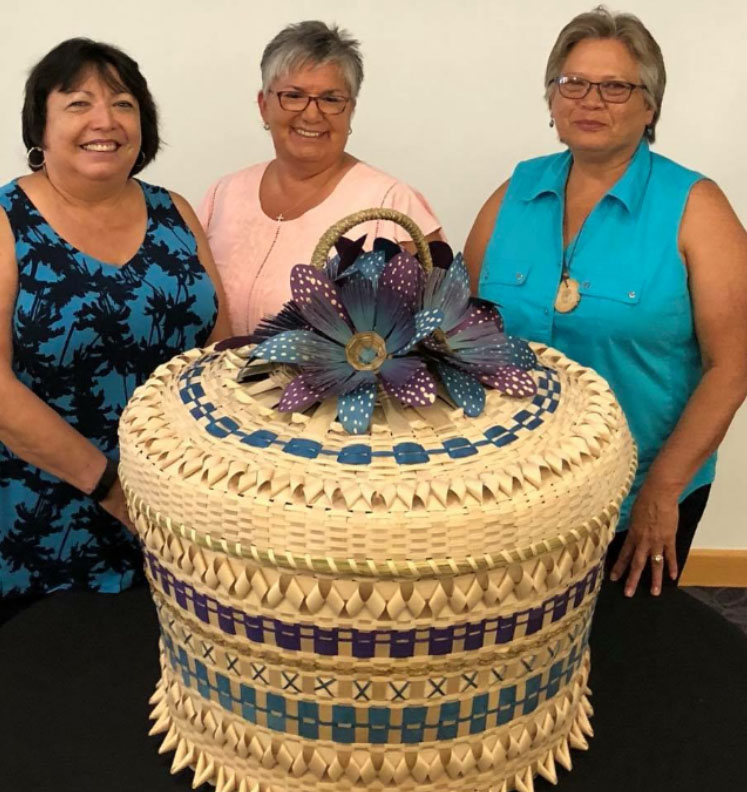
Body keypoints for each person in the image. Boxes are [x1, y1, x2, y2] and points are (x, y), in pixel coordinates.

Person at [464, 7, 747, 598]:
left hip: (637, 493)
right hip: (517, 492)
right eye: (573, 83)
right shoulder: (512, 192)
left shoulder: (697, 207)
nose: (590, 100)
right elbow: (465, 335)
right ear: (552, 99)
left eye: (615, 86)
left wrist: (663, 491)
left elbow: (733, 366)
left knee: (622, 661)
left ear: (650, 106)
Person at [0, 38, 230, 623]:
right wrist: (113, 489)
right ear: (40, 126)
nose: (105, 120)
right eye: (78, 103)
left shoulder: (176, 211)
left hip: (181, 515)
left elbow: (218, 354)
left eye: (123, 103)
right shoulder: (7, 221)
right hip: (46, 514)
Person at [198, 20, 443, 336]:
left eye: (331, 99)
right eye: (293, 95)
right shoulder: (222, 195)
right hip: (219, 384)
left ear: (350, 109)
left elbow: (435, 337)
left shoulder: (394, 204)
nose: (312, 114)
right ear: (264, 105)